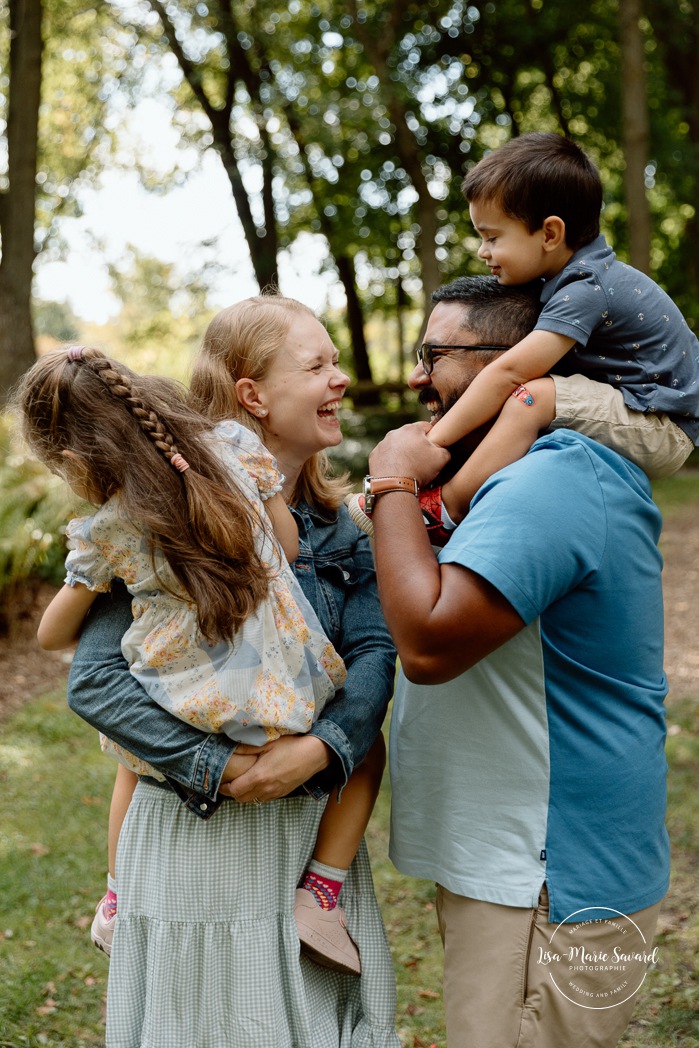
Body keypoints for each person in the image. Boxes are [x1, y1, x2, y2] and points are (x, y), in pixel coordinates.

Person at [61, 296, 400, 1046]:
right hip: (194, 832)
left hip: (309, 832)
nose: (340, 379)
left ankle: (319, 897)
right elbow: (94, 680)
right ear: (252, 395)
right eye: (317, 365)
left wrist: (321, 749)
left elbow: (377, 655)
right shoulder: (163, 521)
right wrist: (219, 763)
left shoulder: (340, 529)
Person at [367, 276, 669, 1048]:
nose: (416, 375)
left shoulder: (554, 480)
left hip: (549, 882)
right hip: (509, 871)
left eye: (434, 354)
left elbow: (428, 644)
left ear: (518, 364)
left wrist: (393, 481)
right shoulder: (504, 479)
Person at [357, 133, 698, 545]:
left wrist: (432, 440)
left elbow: (510, 370)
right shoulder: (570, 280)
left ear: (550, 234)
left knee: (531, 398)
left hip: (663, 426)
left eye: (492, 237)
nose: (483, 251)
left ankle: (445, 508)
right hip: (644, 412)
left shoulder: (584, 287)